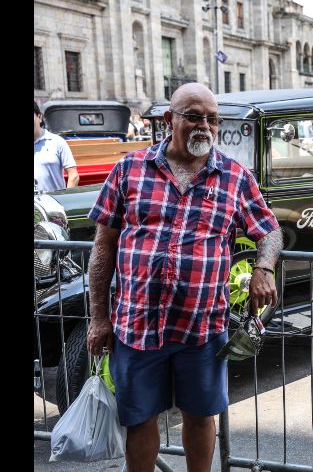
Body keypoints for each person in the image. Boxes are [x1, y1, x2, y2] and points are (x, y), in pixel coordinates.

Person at [86, 82, 283, 472]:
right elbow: (103, 247)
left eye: (212, 119)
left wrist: (264, 268)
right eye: (194, 116)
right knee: (139, 419)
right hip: (137, 324)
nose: (205, 126)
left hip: (202, 328)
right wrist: (98, 317)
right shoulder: (129, 169)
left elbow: (270, 230)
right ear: (168, 119)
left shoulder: (234, 177)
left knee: (200, 417)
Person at [34, 100, 80, 191]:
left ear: (39, 117)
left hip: (53, 199)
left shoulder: (57, 142)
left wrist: (66, 197)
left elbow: (73, 176)